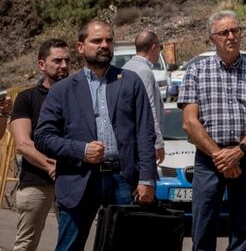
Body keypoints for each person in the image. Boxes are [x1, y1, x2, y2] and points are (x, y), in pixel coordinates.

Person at [34, 20, 157, 251]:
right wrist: (81, 151)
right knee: (69, 247)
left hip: (123, 180)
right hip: (78, 180)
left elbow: (145, 132)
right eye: (97, 40)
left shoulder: (131, 82)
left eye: (109, 40)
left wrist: (147, 179)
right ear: (80, 47)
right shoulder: (62, 89)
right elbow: (43, 137)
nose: (104, 45)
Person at [180, 10, 246, 251]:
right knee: (203, 224)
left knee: (244, 228)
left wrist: (239, 152)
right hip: (208, 160)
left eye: (235, 30)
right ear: (212, 38)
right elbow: (190, 123)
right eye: (224, 32)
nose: (231, 36)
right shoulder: (195, 72)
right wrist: (220, 156)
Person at [9, 39, 69, 251]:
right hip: (37, 183)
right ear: (42, 65)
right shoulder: (27, 98)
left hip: (71, 182)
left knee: (71, 243)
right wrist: (50, 166)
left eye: (67, 61)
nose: (63, 65)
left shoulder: (77, 96)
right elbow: (23, 144)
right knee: (26, 244)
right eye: (57, 60)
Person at [121, 29, 166, 164]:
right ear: (154, 47)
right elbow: (149, 107)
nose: (159, 52)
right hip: (143, 144)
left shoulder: (125, 67)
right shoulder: (144, 71)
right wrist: (157, 142)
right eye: (160, 48)